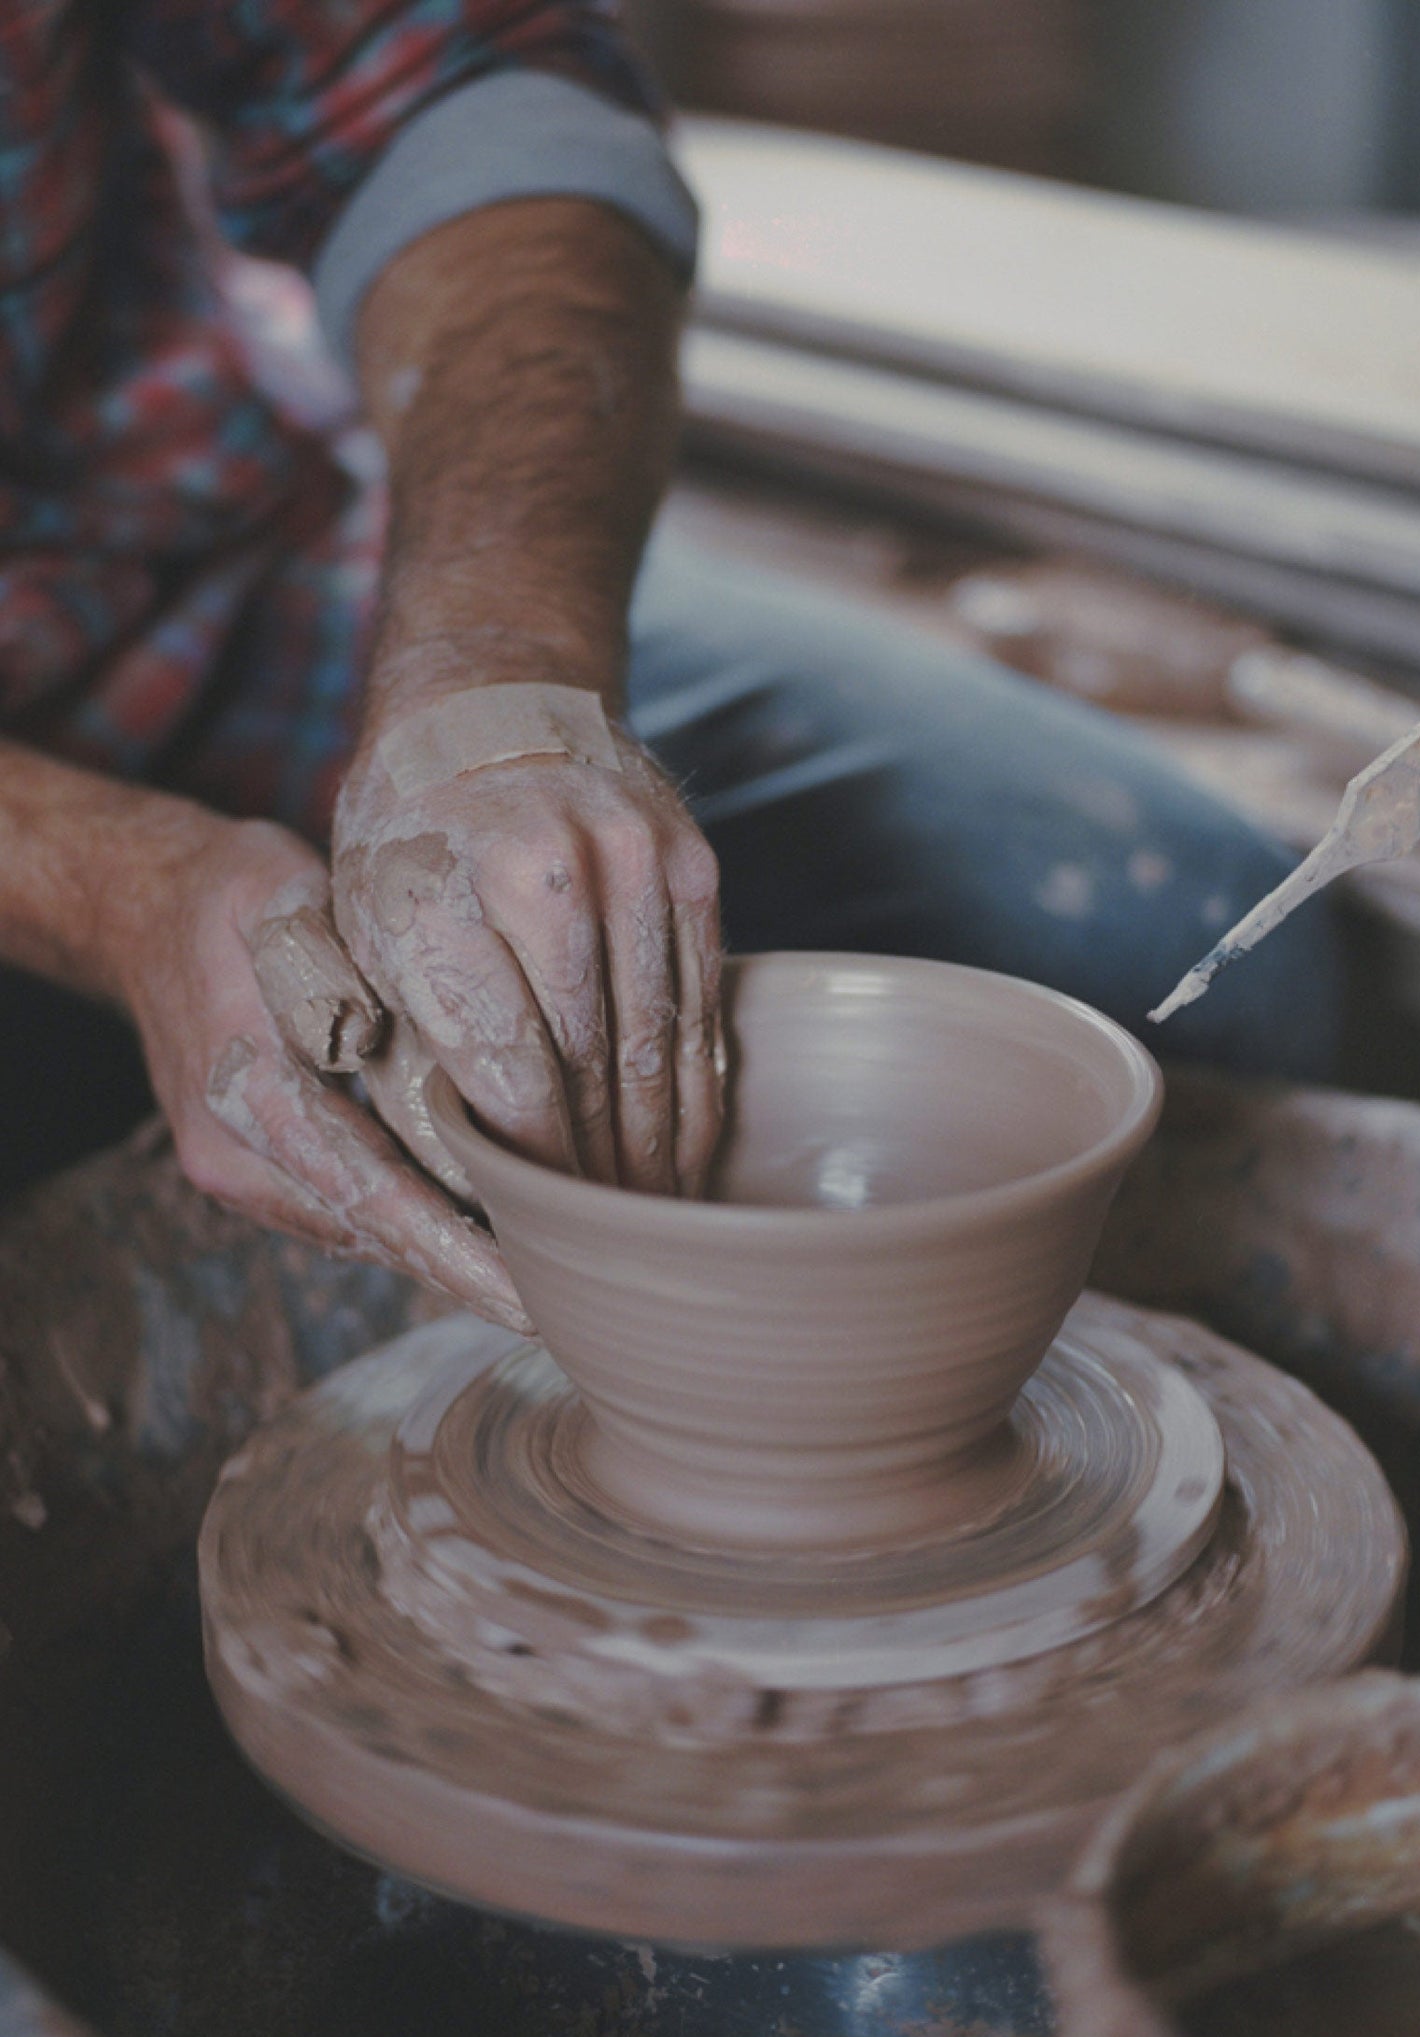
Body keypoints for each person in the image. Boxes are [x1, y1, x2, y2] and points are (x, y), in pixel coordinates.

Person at [0, 3, 1340, 1327]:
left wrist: (496, 678)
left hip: (265, 546)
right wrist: (111, 889)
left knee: (1202, 948)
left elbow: (454, 87)